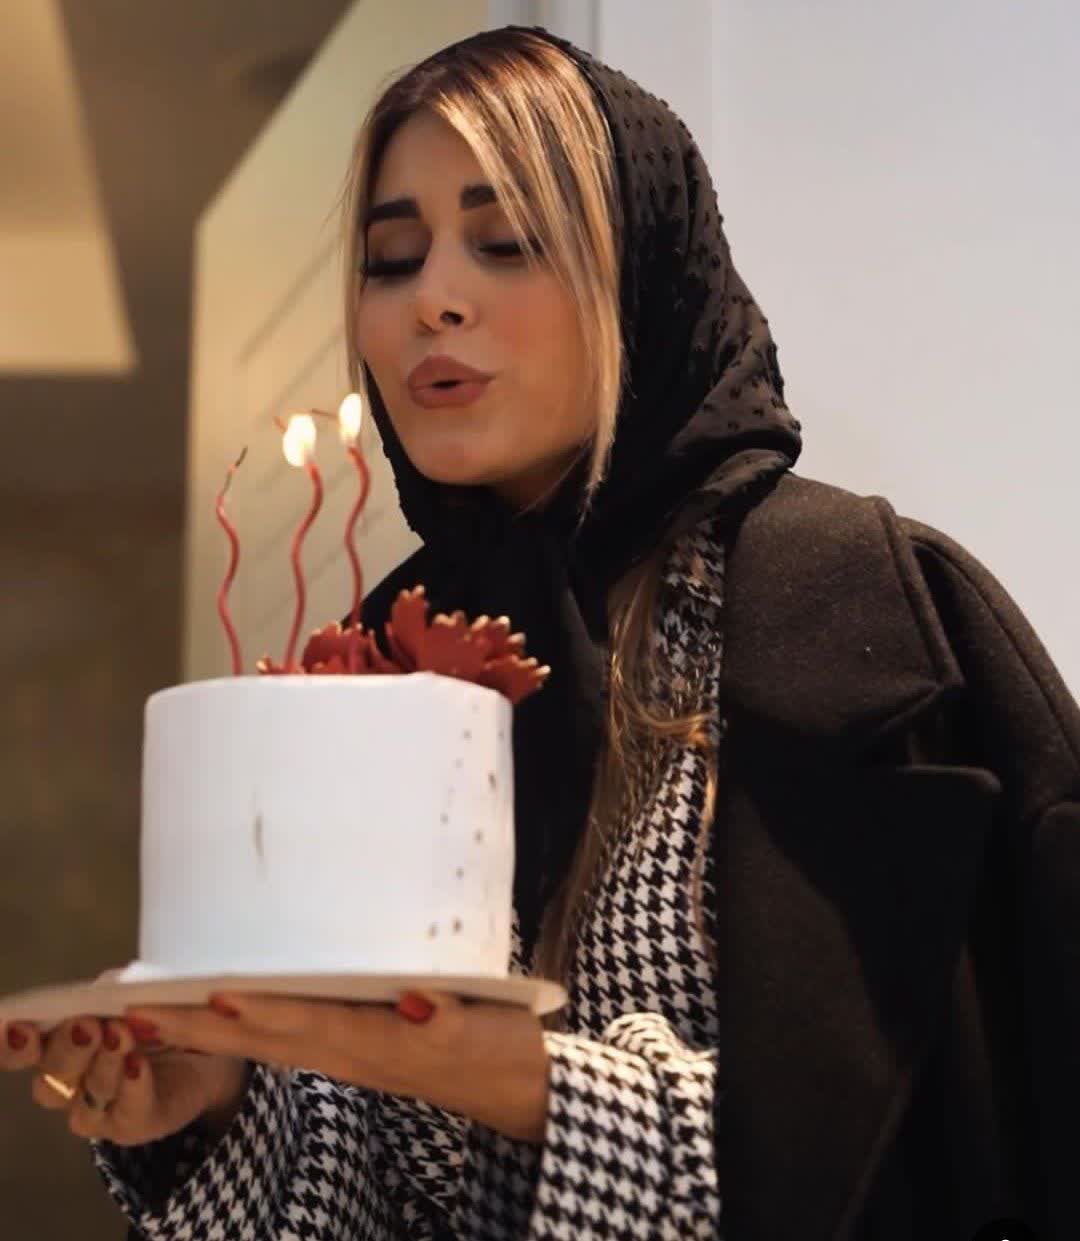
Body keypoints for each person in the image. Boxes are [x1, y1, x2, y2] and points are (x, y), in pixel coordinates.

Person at [2, 24, 1078, 1241]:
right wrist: (219, 1112)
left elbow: (913, 1153)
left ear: (643, 272)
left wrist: (522, 1079)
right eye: (390, 259)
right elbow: (387, 1190)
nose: (433, 298)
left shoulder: (858, 610)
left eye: (506, 241)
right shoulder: (378, 660)